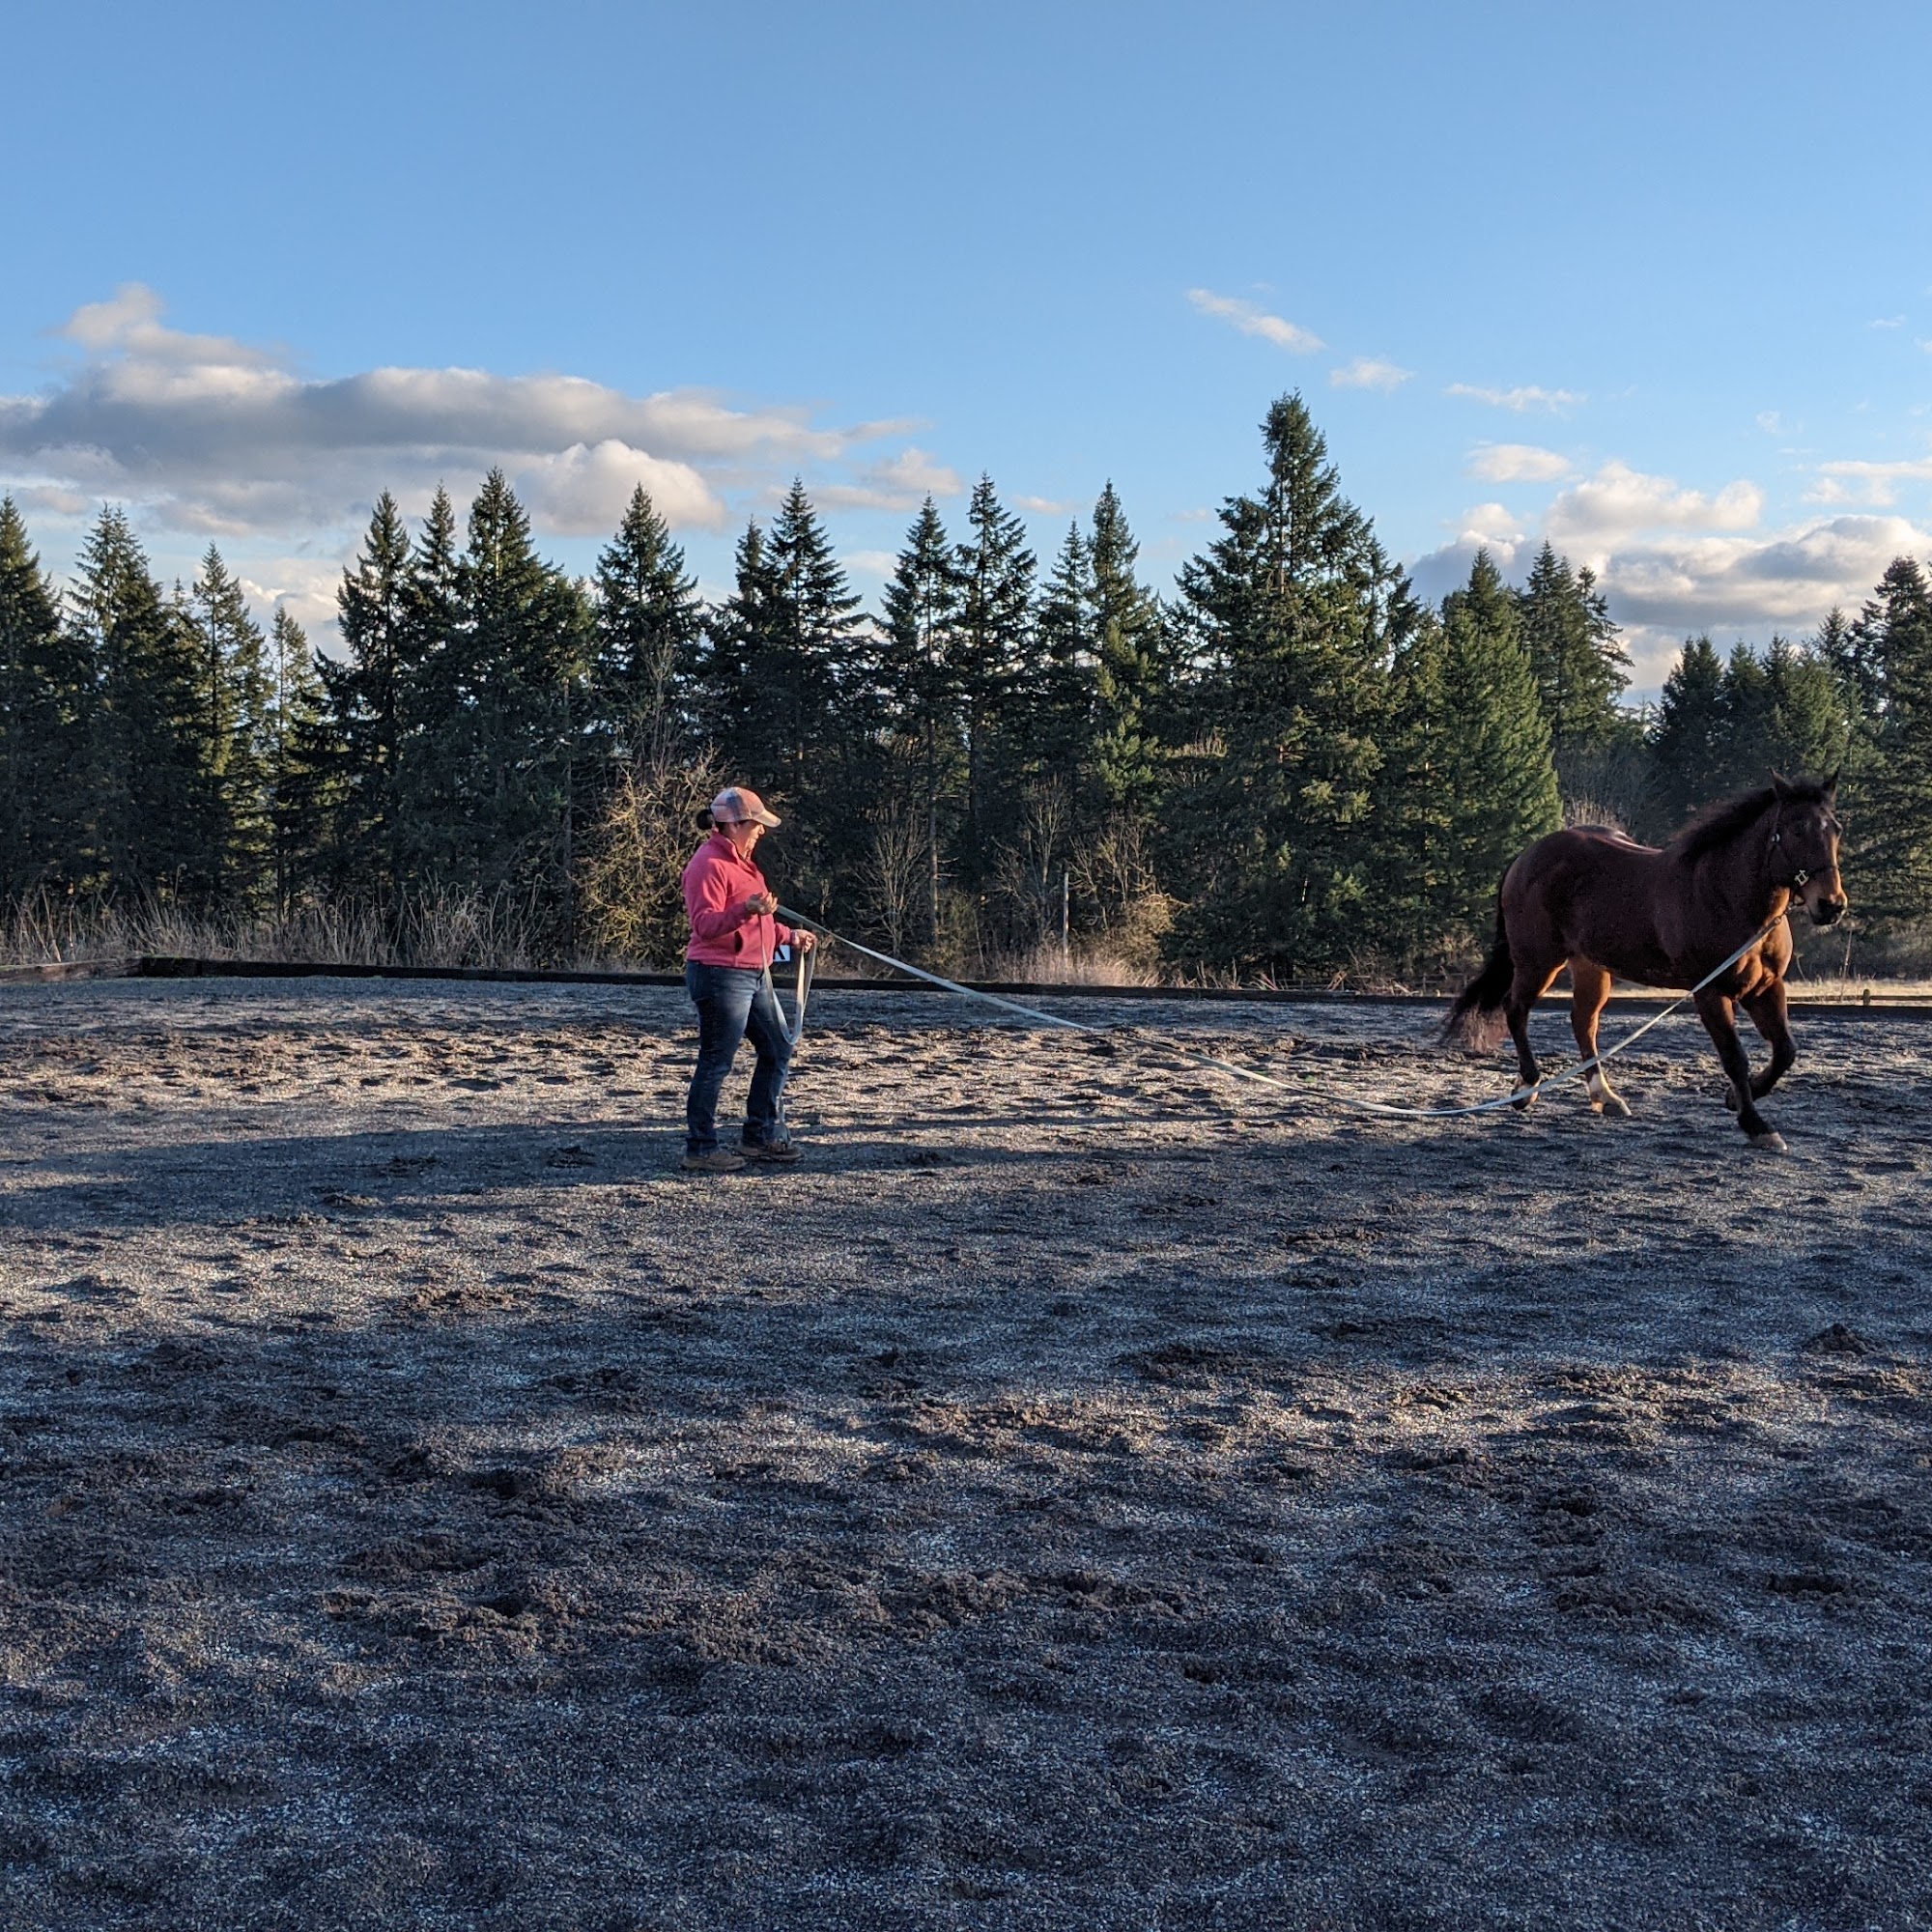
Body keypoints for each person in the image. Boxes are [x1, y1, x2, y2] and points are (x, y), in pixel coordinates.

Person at [679, 786, 817, 1174]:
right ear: (734, 824)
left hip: (753, 973)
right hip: (721, 975)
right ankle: (701, 1146)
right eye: (756, 825)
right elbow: (705, 925)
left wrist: (791, 937)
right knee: (717, 1060)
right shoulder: (708, 864)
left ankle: (758, 1135)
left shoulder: (744, 865)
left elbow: (762, 921)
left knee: (777, 1049)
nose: (761, 832)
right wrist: (745, 909)